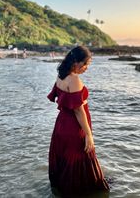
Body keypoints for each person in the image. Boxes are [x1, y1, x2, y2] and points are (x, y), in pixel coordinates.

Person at [47, 46, 109, 197]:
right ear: (76, 62)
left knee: (67, 157)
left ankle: (63, 188)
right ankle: (81, 190)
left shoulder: (61, 75)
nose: (87, 68)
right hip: (74, 127)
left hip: (61, 125)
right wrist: (89, 134)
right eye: (85, 64)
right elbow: (78, 110)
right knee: (82, 155)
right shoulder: (74, 79)